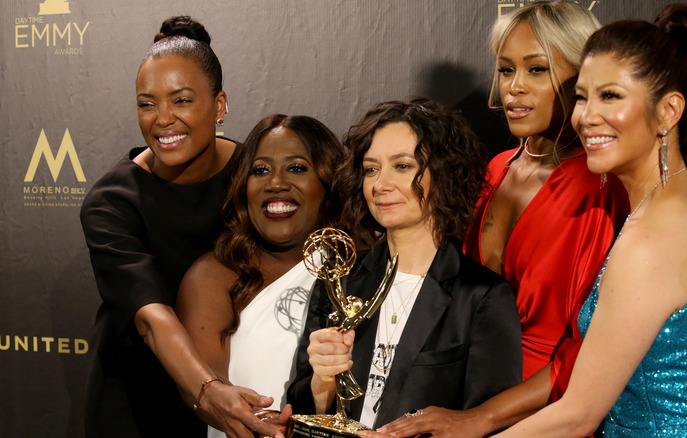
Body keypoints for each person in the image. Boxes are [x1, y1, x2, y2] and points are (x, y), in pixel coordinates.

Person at [493, 4, 687, 436]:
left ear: (668, 111)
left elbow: (576, 416)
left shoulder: (652, 239)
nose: (586, 117)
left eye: (611, 96)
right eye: (582, 96)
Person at [372, 2, 628, 437]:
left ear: (582, 77)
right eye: (506, 71)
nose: (514, 88)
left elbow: (594, 347)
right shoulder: (495, 169)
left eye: (537, 70)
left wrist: (482, 418)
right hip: (462, 395)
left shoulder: (601, 189)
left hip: (545, 410)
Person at [80, 16, 283, 438]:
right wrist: (209, 391)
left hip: (243, 384)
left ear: (220, 104)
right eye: (147, 103)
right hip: (142, 394)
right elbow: (151, 317)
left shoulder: (256, 177)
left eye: (182, 100)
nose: (162, 119)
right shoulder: (112, 203)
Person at [286, 99, 524, 430]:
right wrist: (323, 381)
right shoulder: (341, 280)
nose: (381, 185)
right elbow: (300, 409)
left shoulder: (482, 297)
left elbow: (490, 427)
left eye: (402, 166)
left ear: (444, 174)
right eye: (371, 169)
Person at [176, 114, 346, 438]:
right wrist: (242, 413)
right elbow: (200, 381)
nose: (276, 183)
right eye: (260, 170)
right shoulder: (212, 277)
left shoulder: (361, 271)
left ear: (328, 182)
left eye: (296, 168)